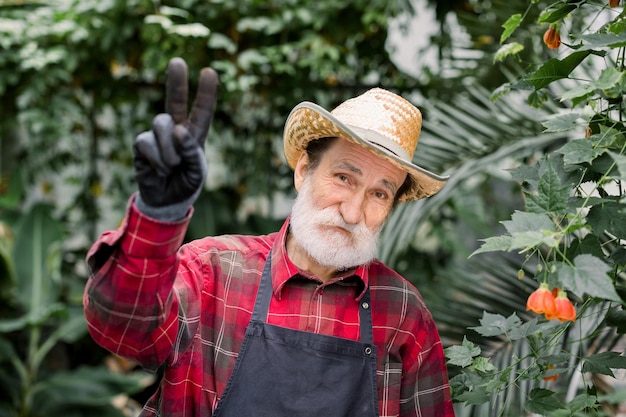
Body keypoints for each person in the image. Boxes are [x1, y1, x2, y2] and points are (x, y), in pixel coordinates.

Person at [83, 57, 455, 417]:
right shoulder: (212, 273)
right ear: (304, 171)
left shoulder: (404, 313)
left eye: (379, 193)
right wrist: (157, 217)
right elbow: (123, 329)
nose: (353, 212)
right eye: (344, 178)